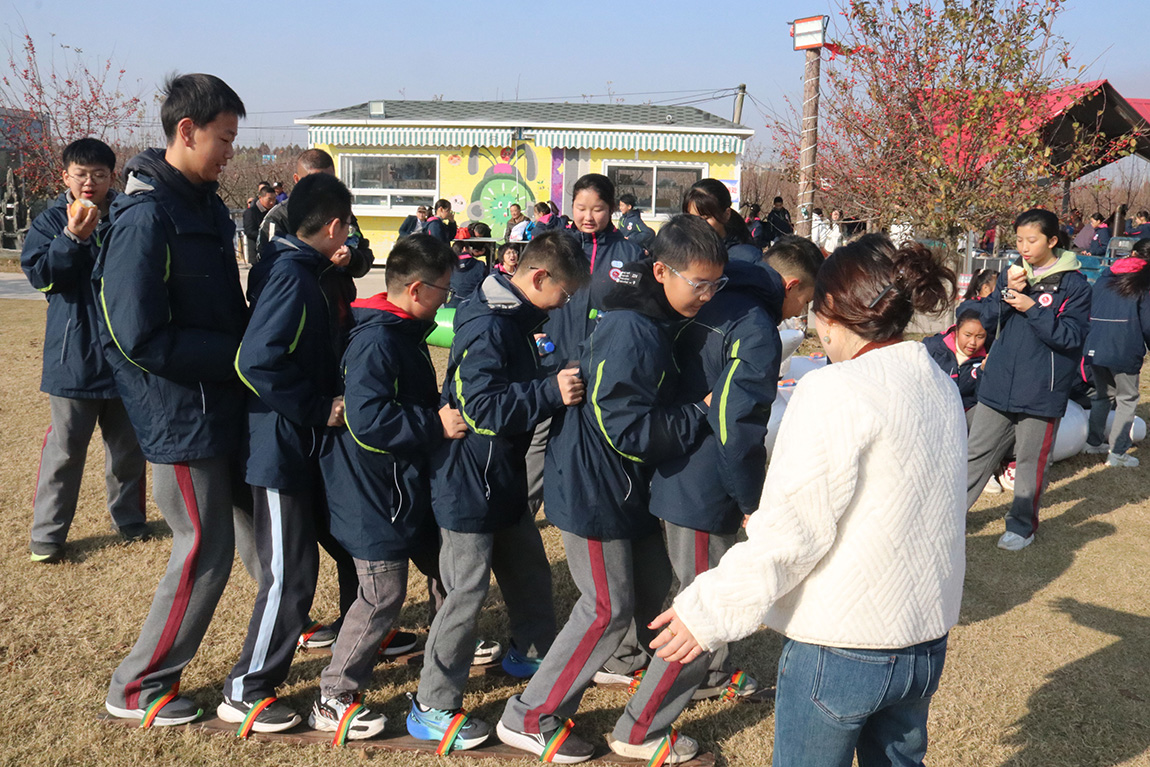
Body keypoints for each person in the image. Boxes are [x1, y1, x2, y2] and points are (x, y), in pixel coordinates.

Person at [651, 234, 965, 767]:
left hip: (844, 643)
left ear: (833, 315)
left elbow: (791, 533)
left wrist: (706, 611)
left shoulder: (835, 391)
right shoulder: (938, 381)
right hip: (923, 637)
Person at [498, 216, 727, 764]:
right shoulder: (633, 329)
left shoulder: (651, 319)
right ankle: (529, 716)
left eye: (715, 284)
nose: (706, 295)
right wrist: (697, 413)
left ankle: (597, 693)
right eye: (697, 283)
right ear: (660, 272)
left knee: (626, 603)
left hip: (615, 487)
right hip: (592, 486)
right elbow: (625, 426)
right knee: (605, 606)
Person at [98, 73, 248, 727]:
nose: (229, 154)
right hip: (182, 414)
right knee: (205, 546)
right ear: (185, 132)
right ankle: (137, 685)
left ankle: (281, 632)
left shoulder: (204, 204)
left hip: (224, 402)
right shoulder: (146, 216)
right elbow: (137, 335)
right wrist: (236, 357)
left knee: (259, 535)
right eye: (223, 139)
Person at [407, 231, 590, 752]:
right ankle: (431, 703)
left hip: (500, 475)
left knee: (527, 563)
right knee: (466, 590)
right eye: (564, 293)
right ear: (537, 279)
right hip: (468, 479)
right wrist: (550, 391)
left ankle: (529, 653)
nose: (566, 304)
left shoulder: (518, 318)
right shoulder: (488, 324)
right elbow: (480, 408)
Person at [623, 232, 822, 702]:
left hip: (675, 462)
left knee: (685, 583)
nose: (800, 313)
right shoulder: (754, 328)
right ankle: (650, 715)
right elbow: (737, 427)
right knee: (702, 598)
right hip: (701, 483)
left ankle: (702, 670)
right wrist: (752, 498)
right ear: (791, 284)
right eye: (806, 300)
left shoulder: (718, 295)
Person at [307, 234, 461, 740]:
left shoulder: (399, 331)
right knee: (382, 593)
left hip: (401, 488)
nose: (448, 299)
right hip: (371, 494)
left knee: (448, 573)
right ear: (417, 290)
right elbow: (368, 419)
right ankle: (333, 695)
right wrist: (434, 425)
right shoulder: (378, 340)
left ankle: (443, 663)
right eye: (445, 290)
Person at [216, 172, 351, 733]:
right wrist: (317, 407)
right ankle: (246, 688)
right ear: (336, 225)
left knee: (332, 548)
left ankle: (360, 633)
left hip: (299, 444)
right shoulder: (293, 277)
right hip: (278, 446)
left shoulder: (299, 264)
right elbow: (255, 361)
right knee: (290, 573)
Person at [21, 137, 147, 564]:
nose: (89, 182)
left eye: (99, 174)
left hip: (126, 355)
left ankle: (129, 519)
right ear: (66, 177)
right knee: (65, 450)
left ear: (113, 177)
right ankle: (48, 536)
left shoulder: (128, 216)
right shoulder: (51, 220)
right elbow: (41, 276)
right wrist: (71, 239)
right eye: (81, 174)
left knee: (128, 448)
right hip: (72, 357)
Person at [966, 208, 1091, 550]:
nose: (1024, 246)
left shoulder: (1075, 285)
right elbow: (987, 319)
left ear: (1052, 241)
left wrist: (1031, 308)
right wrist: (1006, 291)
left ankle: (1021, 527)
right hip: (998, 383)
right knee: (976, 453)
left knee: (1030, 462)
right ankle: (951, 515)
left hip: (1041, 390)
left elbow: (1070, 337)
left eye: (1032, 240)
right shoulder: (1013, 273)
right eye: (1019, 239)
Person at [258, 148, 375, 357]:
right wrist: (320, 260)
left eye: (328, 181)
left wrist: (351, 259)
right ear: (296, 179)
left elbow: (365, 255)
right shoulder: (278, 218)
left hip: (340, 315)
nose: (322, 189)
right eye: (313, 181)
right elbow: (268, 272)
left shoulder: (343, 213)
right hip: (299, 319)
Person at [1083, 238, 1150, 467]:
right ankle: (1117, 452)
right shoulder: (1143, 282)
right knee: (1127, 399)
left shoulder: (1104, 276)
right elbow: (1148, 322)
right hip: (1124, 347)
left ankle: (1093, 443)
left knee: (1103, 395)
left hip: (1095, 344)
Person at [924, 310, 989, 425]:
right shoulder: (932, 347)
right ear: (957, 331)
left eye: (980, 337)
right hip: (930, 410)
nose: (973, 342)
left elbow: (980, 398)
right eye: (968, 335)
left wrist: (983, 372)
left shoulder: (985, 359)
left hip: (962, 416)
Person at [683, 178, 761, 263]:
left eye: (705, 218)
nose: (698, 225)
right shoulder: (679, 252)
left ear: (727, 214)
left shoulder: (748, 259)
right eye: (692, 218)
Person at [446, 222, 492, 307]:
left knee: (490, 252)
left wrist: (483, 250)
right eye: (477, 236)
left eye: (480, 237)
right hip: (470, 250)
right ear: (474, 232)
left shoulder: (486, 231)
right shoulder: (469, 231)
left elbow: (489, 242)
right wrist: (471, 252)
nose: (478, 238)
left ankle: (490, 270)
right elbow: (463, 244)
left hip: (479, 250)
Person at [243, 184, 277, 263]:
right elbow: (249, 231)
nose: (272, 202)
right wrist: (268, 236)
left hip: (273, 251)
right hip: (257, 252)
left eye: (274, 199)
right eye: (269, 199)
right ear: (260, 198)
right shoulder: (251, 212)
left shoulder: (276, 211)